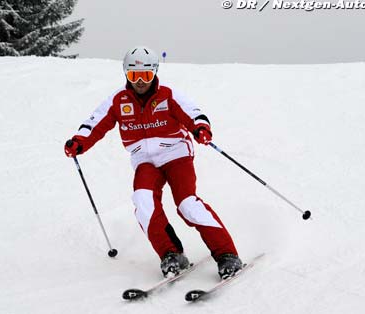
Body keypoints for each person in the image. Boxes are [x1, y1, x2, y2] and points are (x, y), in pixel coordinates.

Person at [64, 46, 242, 279]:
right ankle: (171, 254)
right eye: (134, 75)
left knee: (187, 203)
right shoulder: (118, 100)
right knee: (143, 201)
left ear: (155, 73)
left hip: (176, 155)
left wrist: (200, 128)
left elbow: (194, 113)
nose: (140, 81)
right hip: (144, 160)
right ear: (126, 74)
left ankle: (227, 255)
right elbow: (94, 123)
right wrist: (79, 142)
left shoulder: (168, 95)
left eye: (146, 75)